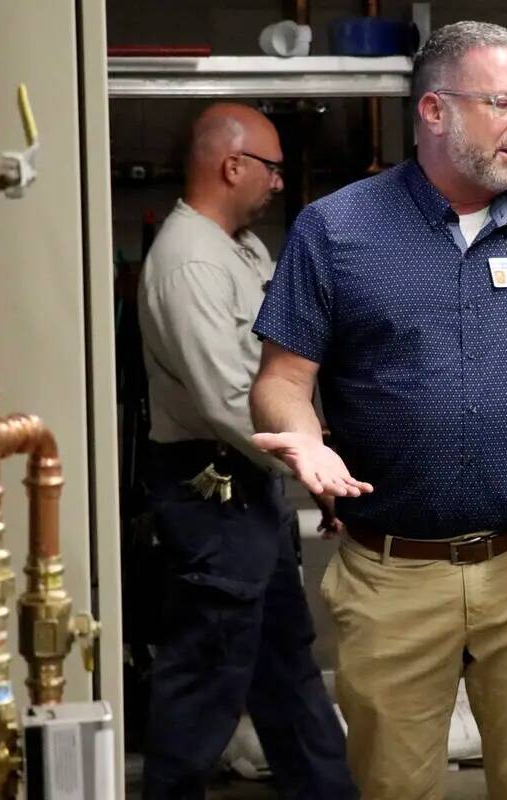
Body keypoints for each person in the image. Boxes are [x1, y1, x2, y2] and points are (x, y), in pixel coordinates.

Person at [249, 20, 507, 800]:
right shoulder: (336, 230)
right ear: (434, 112)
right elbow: (281, 380)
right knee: (394, 789)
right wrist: (304, 441)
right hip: (394, 573)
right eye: (501, 102)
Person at [138, 102, 356, 799]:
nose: (277, 184)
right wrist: (313, 462)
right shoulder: (187, 262)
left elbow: (278, 371)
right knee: (205, 678)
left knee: (284, 670)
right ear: (233, 166)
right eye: (271, 169)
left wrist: (313, 448)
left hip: (249, 490)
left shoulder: (242, 250)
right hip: (212, 495)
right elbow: (228, 398)